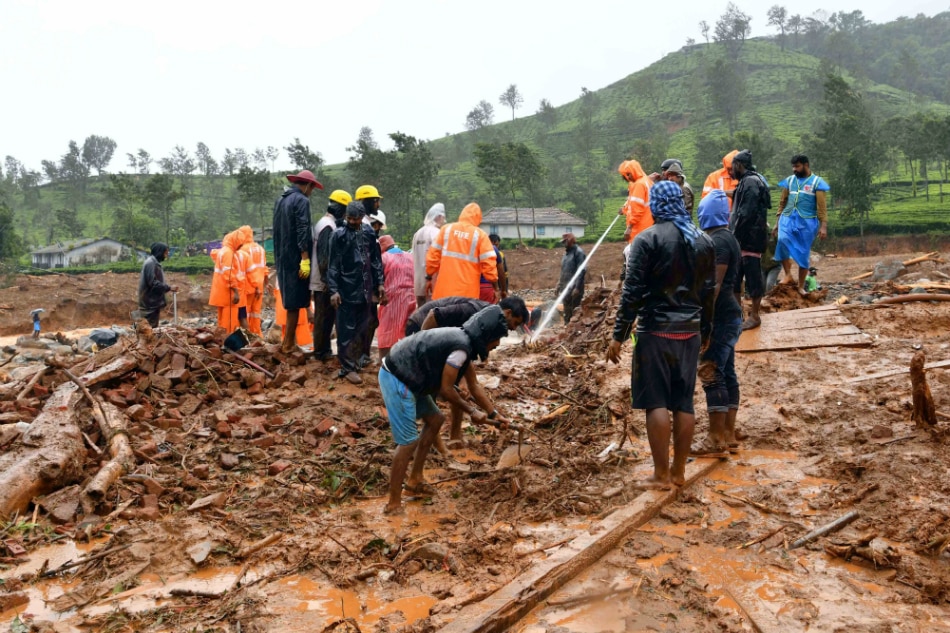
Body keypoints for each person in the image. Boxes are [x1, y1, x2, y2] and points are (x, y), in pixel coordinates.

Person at [607, 180, 716, 490]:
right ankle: (679, 472)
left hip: (655, 331)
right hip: (690, 331)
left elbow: (633, 293)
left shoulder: (647, 240)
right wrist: (706, 328)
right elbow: (709, 291)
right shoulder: (704, 241)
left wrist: (620, 334)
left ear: (655, 205)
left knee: (656, 402)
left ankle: (660, 474)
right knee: (684, 403)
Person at [378, 305, 513, 515]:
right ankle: (393, 503)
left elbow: (475, 387)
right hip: (397, 376)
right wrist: (472, 412)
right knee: (408, 442)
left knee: (435, 419)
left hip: (413, 377)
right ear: (487, 335)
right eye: (497, 339)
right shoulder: (461, 348)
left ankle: (415, 481)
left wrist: (495, 415)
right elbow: (447, 390)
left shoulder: (464, 343)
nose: (497, 345)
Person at [692, 190, 744, 456]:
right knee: (727, 372)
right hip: (730, 314)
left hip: (720, 316)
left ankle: (714, 439)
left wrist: (702, 318)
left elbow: (715, 284)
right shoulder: (729, 238)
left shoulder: (719, 241)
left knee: (710, 371)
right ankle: (728, 434)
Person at [328, 201, 386, 385]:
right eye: (349, 218)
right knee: (346, 329)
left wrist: (380, 284)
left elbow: (376, 260)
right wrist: (334, 290)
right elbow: (333, 264)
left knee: (363, 326)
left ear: (362, 218)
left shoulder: (369, 233)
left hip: (365, 288)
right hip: (346, 288)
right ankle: (347, 367)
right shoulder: (338, 235)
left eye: (356, 219)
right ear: (346, 217)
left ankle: (358, 360)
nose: (352, 221)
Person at [273, 169, 321, 354]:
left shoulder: (281, 200)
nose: (311, 192)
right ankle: (288, 344)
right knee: (295, 301)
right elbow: (302, 229)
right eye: (312, 188)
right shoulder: (301, 200)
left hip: (282, 257)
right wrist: (305, 258)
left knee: (290, 298)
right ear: (308, 185)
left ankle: (289, 341)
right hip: (296, 257)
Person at [773, 154, 830, 295]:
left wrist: (823, 226)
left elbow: (821, 207)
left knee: (803, 253)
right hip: (787, 218)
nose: (794, 169)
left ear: (806, 165)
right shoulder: (790, 181)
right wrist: (777, 222)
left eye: (797, 166)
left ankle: (800, 286)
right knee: (782, 240)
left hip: (807, 222)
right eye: (793, 166)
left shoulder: (817, 182)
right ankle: (787, 275)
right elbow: (782, 202)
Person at [728, 150, 772, 330]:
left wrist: (734, 235)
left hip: (749, 239)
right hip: (743, 239)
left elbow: (746, 213)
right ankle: (738, 313)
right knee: (737, 277)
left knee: (753, 278)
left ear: (739, 165)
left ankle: (754, 315)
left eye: (732, 167)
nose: (731, 171)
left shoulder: (751, 182)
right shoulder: (748, 181)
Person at [426, 202, 497, 301]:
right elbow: (489, 267)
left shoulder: (446, 229)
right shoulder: (480, 235)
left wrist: (428, 277)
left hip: (443, 294)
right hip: (467, 296)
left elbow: (432, 258)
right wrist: (496, 287)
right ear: (478, 218)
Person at [310, 190, 351, 361]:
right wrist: (328, 280)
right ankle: (321, 352)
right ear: (340, 208)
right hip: (323, 281)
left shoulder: (326, 223)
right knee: (323, 318)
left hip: (324, 279)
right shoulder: (328, 226)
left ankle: (323, 350)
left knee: (325, 317)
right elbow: (324, 257)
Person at [356, 185, 385, 368]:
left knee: (371, 321)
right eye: (375, 200)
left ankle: (363, 355)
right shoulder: (362, 227)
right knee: (365, 321)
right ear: (366, 202)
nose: (378, 203)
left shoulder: (366, 226)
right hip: (362, 285)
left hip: (368, 283)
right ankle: (360, 356)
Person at [405, 296, 528, 337]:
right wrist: (420, 343)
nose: (513, 328)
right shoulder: (474, 311)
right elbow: (433, 315)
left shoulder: (487, 319)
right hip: (419, 323)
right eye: (515, 323)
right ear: (507, 313)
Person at [377, 235, 416, 358]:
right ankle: (405, 358)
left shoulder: (384, 258)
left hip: (392, 299)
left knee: (386, 331)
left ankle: (384, 362)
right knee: (405, 330)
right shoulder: (410, 256)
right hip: (411, 297)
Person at [209, 228, 251, 333]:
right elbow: (229, 274)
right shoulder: (228, 253)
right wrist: (235, 292)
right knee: (230, 323)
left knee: (223, 321)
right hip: (229, 294)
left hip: (221, 292)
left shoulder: (223, 251)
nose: (241, 246)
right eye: (240, 244)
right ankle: (229, 344)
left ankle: (224, 342)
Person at [412, 203, 446, 308]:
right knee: (432, 312)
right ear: (439, 216)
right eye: (443, 218)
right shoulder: (437, 233)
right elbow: (439, 257)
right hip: (432, 282)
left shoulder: (417, 233)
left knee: (421, 312)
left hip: (418, 282)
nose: (443, 221)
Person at [138, 242, 177, 328]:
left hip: (152, 303)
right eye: (165, 253)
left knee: (151, 328)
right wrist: (169, 288)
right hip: (149, 304)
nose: (166, 255)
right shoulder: (151, 263)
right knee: (149, 329)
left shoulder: (153, 262)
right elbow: (153, 283)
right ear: (160, 252)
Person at [618, 160, 653, 242]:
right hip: (649, 225)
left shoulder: (639, 185)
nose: (628, 178)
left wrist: (629, 228)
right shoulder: (647, 180)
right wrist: (624, 210)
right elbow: (635, 204)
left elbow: (637, 210)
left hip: (640, 228)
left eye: (628, 174)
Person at [557, 233, 586, 324]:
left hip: (574, 289)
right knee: (567, 311)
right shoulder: (566, 254)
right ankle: (567, 329)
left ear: (571, 241)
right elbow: (563, 271)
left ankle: (573, 332)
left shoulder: (579, 253)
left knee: (574, 312)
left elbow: (581, 271)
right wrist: (558, 285)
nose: (564, 244)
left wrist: (577, 288)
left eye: (565, 242)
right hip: (565, 288)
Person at [244, 234, 269, 336]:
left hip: (249, 284)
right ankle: (257, 333)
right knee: (256, 311)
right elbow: (265, 267)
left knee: (246, 311)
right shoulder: (261, 249)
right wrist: (266, 283)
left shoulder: (244, 249)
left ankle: (247, 333)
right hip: (260, 283)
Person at [489, 234, 508, 299]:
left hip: (500, 280)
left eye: (496, 245)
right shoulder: (485, 254)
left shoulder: (500, 254)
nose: (494, 247)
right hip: (491, 280)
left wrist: (504, 289)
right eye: (492, 244)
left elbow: (504, 270)